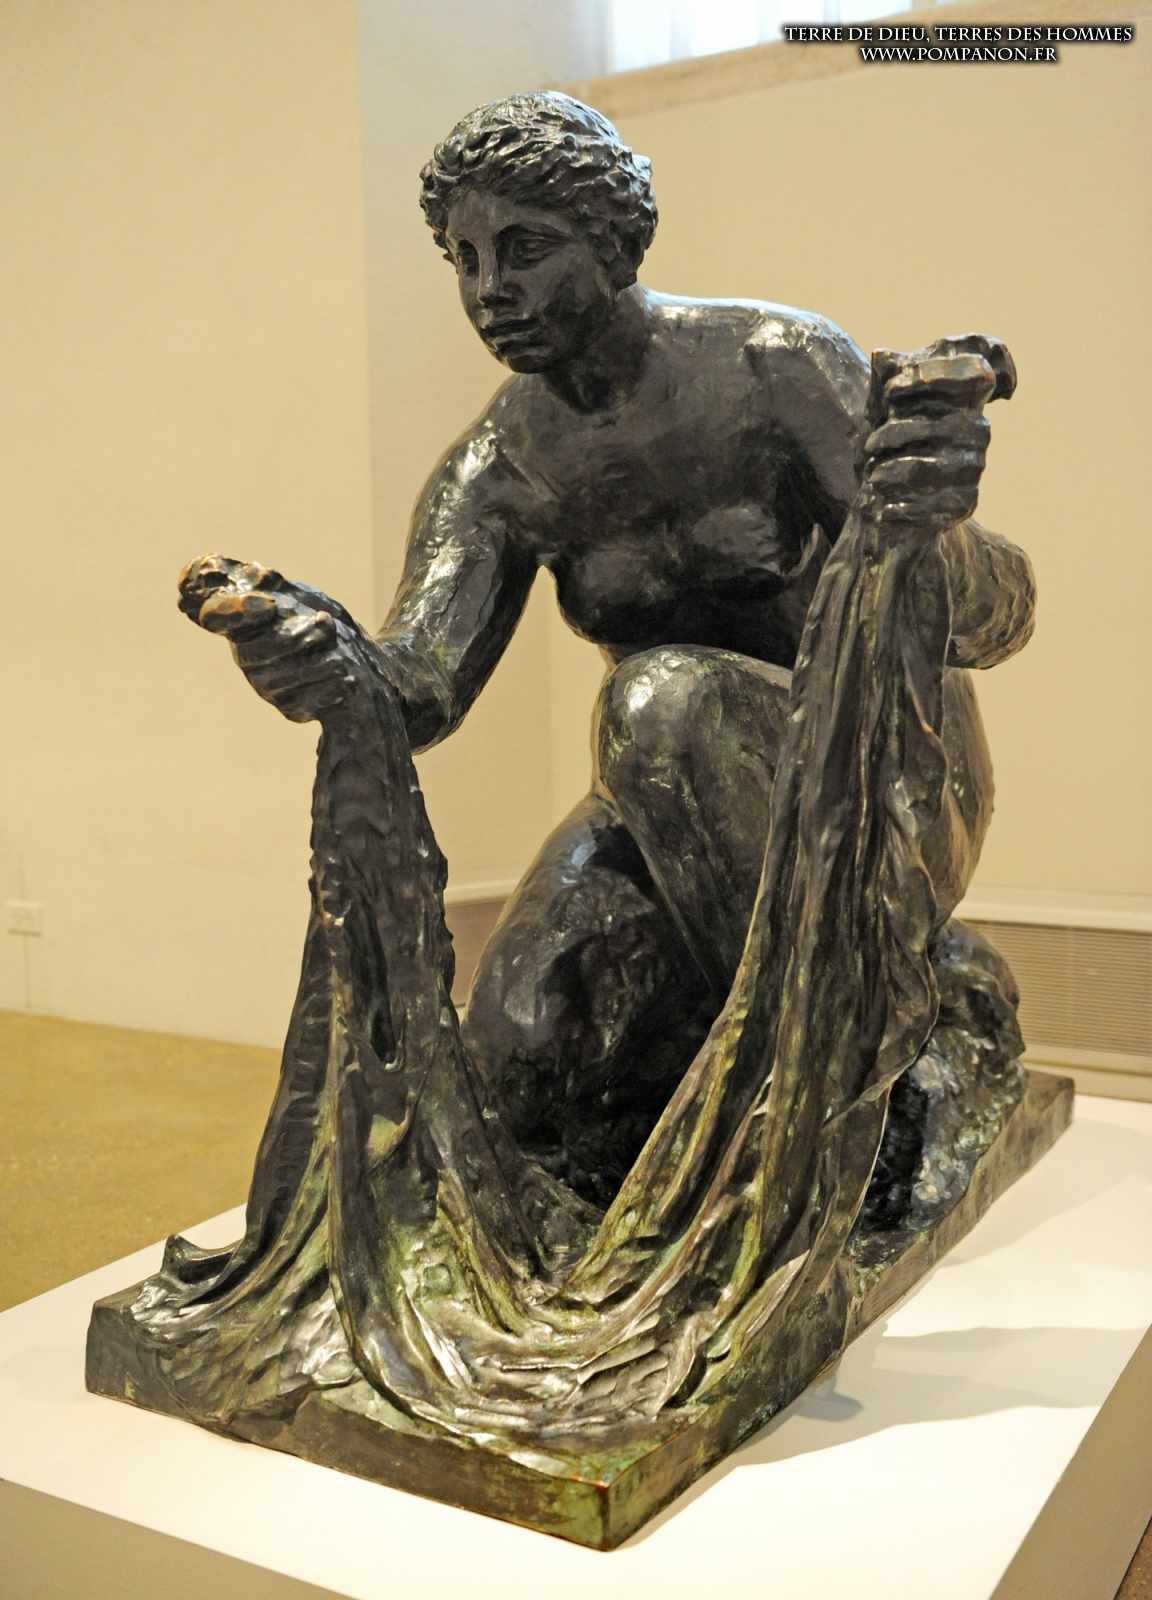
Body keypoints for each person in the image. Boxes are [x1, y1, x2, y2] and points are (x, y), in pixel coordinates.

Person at [215, 93, 1035, 1202]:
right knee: (517, 1051)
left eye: (525, 249)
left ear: (615, 244)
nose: (489, 290)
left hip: (879, 792)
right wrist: (322, 661)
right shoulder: (498, 469)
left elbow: (991, 619)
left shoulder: (776, 367)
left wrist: (933, 521)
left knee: (659, 702)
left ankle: (853, 1053)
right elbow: (420, 688)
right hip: (666, 814)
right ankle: (731, 1054)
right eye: (463, 258)